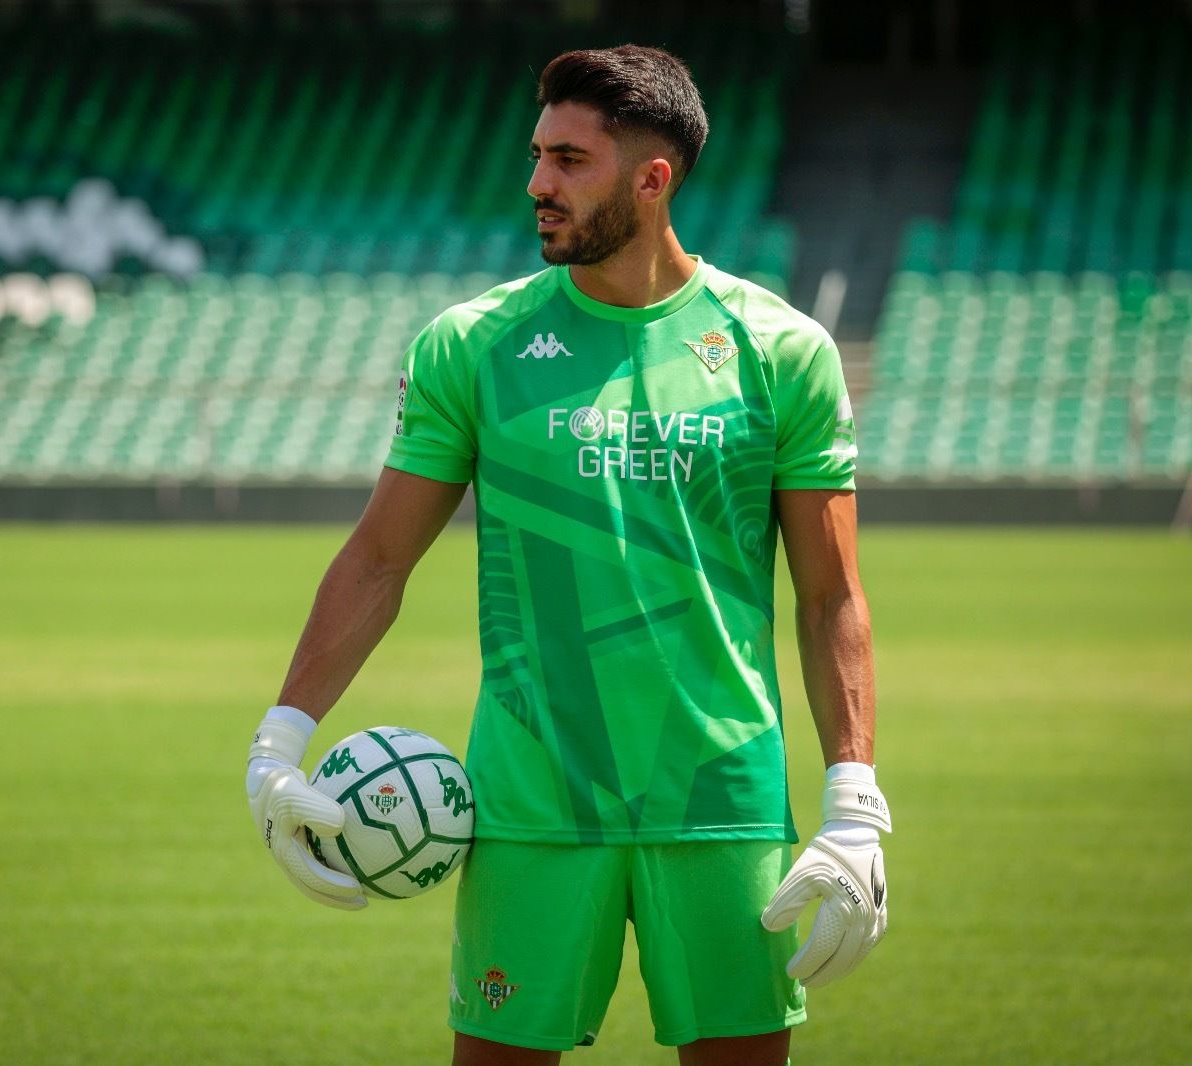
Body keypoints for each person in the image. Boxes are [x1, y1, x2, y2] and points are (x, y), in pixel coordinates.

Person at [246, 45, 891, 1066]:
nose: (537, 183)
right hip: (530, 804)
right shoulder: (471, 344)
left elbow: (830, 596)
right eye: (538, 154)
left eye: (569, 160)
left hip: (719, 799)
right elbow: (378, 557)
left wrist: (853, 801)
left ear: (652, 177)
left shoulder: (782, 350)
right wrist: (280, 739)